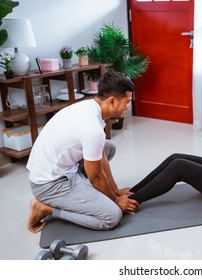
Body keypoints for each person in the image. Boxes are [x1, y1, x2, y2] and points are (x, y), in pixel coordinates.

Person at [27, 71, 139, 233]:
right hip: (49, 185)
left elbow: (100, 157)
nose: (128, 106)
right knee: (112, 216)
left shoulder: (91, 107)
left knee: (108, 147)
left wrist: (116, 191)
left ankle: (82, 193)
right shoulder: (92, 128)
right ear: (112, 101)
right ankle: (45, 208)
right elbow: (95, 177)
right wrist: (115, 201)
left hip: (59, 169)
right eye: (127, 101)